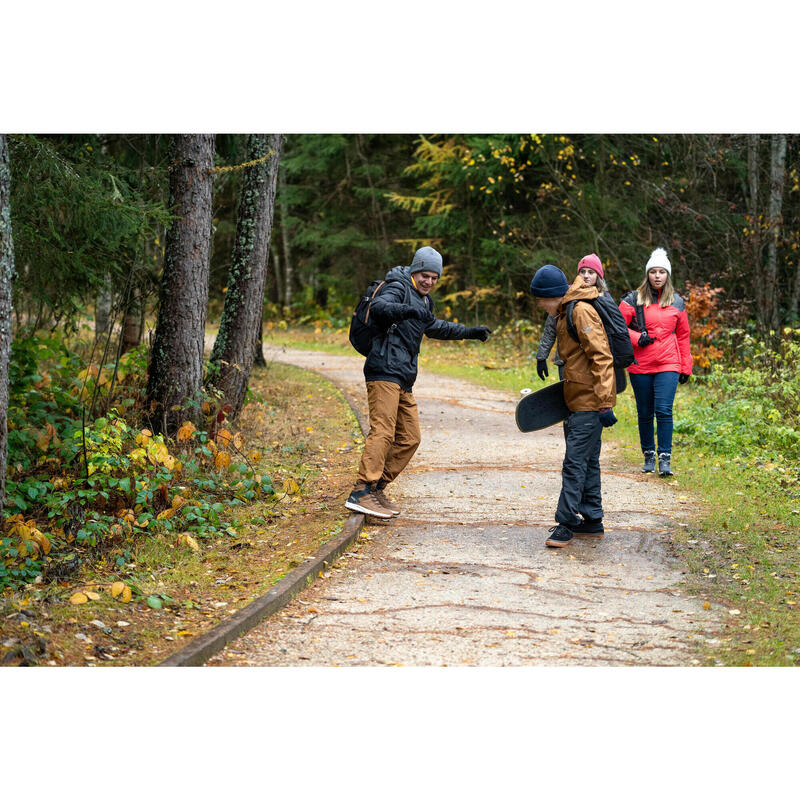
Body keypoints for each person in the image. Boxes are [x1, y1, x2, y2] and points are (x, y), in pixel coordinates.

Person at [345, 246, 492, 519]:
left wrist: (470, 332)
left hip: (403, 376)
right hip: (384, 369)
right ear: (415, 271)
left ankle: (376, 488)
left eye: (434, 278)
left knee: (411, 438)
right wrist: (407, 311)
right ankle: (362, 490)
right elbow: (379, 307)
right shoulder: (398, 287)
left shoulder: (424, 301)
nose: (429, 282)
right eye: (425, 275)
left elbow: (435, 327)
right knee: (383, 432)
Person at [529, 263, 618, 548]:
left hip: (590, 402)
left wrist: (605, 403)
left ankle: (565, 523)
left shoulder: (580, 311)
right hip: (577, 399)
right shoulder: (563, 312)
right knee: (588, 461)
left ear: (553, 295)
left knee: (574, 462)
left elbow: (602, 356)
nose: (541, 305)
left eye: (542, 299)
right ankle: (591, 520)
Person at [618, 247, 693, 477]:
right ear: (647, 274)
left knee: (664, 410)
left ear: (667, 275)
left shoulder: (677, 302)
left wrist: (686, 365)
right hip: (640, 364)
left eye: (662, 272)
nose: (657, 276)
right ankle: (649, 455)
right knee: (644, 412)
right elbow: (618, 328)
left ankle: (665, 459)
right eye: (653, 272)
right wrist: (637, 337)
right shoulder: (633, 299)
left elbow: (683, 335)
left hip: (668, 364)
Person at [535, 253, 608, 382]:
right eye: (582, 271)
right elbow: (550, 329)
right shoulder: (564, 298)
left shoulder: (604, 302)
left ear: (598, 276)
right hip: (565, 361)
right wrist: (541, 357)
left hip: (590, 362)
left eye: (591, 272)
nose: (586, 275)